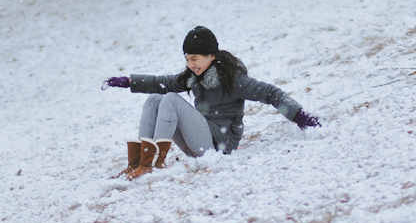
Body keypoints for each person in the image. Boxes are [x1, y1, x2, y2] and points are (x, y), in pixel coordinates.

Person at [103, 26, 320, 180]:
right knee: (155, 99)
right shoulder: (194, 76)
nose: (191, 64)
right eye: (187, 59)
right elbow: (162, 83)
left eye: (195, 59)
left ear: (211, 56)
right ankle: (139, 163)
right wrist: (129, 82)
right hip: (199, 140)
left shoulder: (234, 80)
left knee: (171, 100)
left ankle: (155, 164)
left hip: (220, 145)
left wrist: (300, 116)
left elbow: (271, 93)